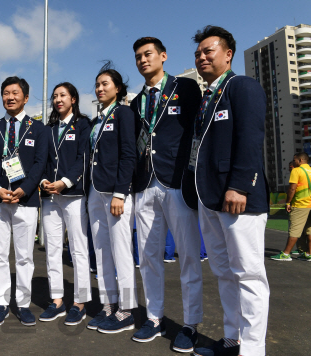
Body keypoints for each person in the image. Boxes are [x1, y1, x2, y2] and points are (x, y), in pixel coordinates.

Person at [181, 26, 270, 356]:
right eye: (198, 53)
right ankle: (233, 340)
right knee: (223, 272)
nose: (202, 57)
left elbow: (250, 137)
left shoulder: (241, 86)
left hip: (237, 198)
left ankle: (252, 350)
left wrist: (238, 185)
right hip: (209, 198)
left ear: (228, 54)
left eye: (209, 51)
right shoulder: (207, 97)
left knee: (248, 275)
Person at [129, 37, 204, 351]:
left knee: (188, 257)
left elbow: (197, 133)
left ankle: (190, 325)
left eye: (148, 54)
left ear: (163, 56)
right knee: (148, 258)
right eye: (138, 57)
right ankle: (155, 317)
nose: (143, 60)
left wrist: (193, 177)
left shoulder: (185, 89)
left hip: (177, 184)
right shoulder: (135, 103)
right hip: (145, 185)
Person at [0, 76, 48, 327]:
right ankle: (0, 303)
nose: (10, 97)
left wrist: (24, 189)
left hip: (26, 200)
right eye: (6, 93)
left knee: (24, 256)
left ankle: (22, 303)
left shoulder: (39, 129)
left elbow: (40, 163)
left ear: (26, 97)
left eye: (15, 93)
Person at [87, 62, 138, 334]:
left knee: (121, 251)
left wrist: (121, 192)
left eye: (105, 84)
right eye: (97, 84)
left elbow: (129, 154)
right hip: (95, 192)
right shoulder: (96, 120)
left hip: (115, 194)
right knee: (102, 251)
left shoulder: (124, 114)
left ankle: (127, 310)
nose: (100, 88)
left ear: (117, 89)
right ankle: (109, 304)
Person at [39, 82, 91, 325]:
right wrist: (43, 181)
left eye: (63, 95)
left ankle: (80, 302)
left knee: (78, 249)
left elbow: (84, 158)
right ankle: (57, 300)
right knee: (52, 249)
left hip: (73, 195)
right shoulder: (47, 129)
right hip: (50, 197)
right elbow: (41, 160)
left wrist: (65, 182)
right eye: (55, 96)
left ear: (73, 98)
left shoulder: (83, 125)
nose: (58, 99)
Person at [271, 152, 311, 261]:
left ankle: (286, 254)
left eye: (294, 160)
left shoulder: (296, 170)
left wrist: (288, 203)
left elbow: (292, 189)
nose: (293, 162)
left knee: (294, 229)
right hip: (310, 204)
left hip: (301, 204)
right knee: (309, 230)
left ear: (300, 161)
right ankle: (309, 253)